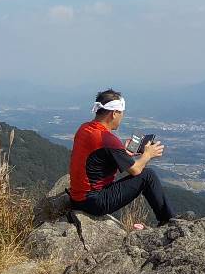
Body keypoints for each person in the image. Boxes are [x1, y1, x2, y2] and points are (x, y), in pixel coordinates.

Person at [69, 89, 177, 226]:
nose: (122, 117)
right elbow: (136, 170)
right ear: (114, 113)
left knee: (145, 173)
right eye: (121, 113)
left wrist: (123, 152)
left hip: (77, 198)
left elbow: (99, 155)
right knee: (148, 175)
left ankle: (168, 219)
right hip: (93, 202)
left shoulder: (84, 128)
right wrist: (148, 154)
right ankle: (168, 221)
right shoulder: (106, 138)